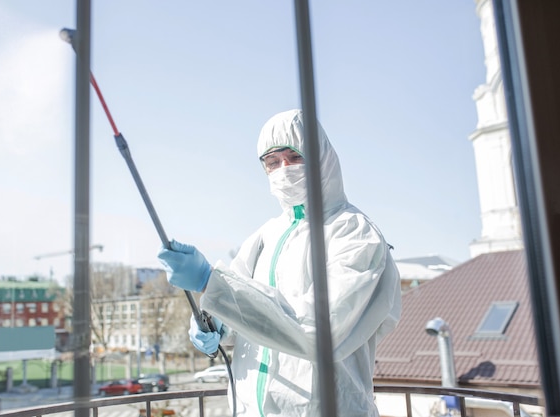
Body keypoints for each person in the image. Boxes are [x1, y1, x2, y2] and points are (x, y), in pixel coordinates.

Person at [158, 109, 402, 417]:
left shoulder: (353, 233)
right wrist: (218, 322)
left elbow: (316, 330)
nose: (283, 169)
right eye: (272, 162)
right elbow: (251, 318)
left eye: (294, 157)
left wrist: (211, 283)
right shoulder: (266, 235)